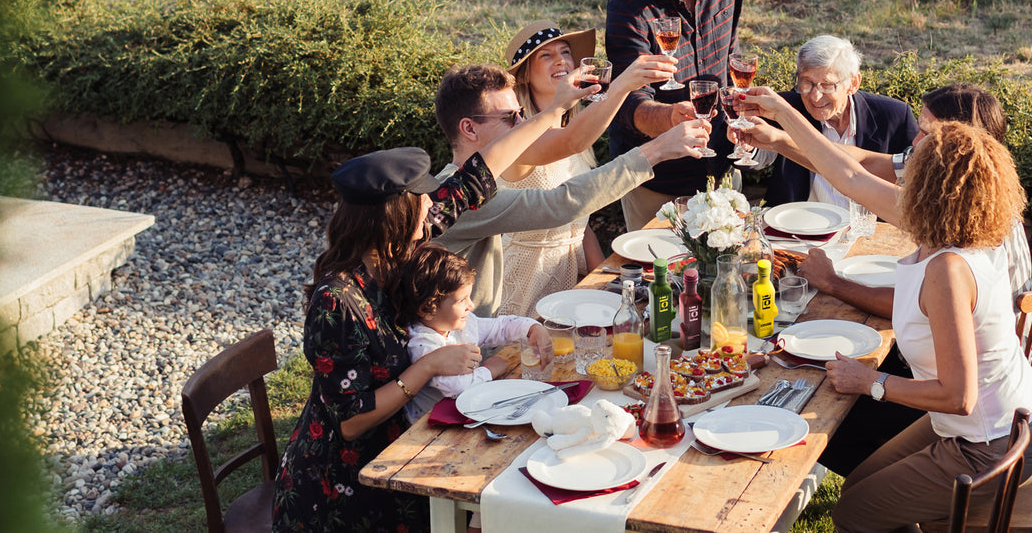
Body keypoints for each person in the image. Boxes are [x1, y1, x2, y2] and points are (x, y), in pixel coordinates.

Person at [273, 105, 575, 531]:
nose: (433, 204)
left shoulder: (399, 251)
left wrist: (551, 112)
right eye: (423, 199)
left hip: (415, 438)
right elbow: (352, 422)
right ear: (394, 214)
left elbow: (476, 177)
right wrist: (427, 367)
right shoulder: (337, 302)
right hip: (352, 485)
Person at [823, 121, 1032, 531]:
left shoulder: (947, 271)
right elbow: (850, 177)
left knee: (852, 513)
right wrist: (779, 120)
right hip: (1015, 419)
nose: (907, 156)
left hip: (995, 445)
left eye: (917, 158)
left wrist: (870, 382)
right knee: (857, 484)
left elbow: (958, 396)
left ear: (929, 187)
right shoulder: (978, 233)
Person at [431, 64, 709, 317]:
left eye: (521, 115)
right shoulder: (458, 197)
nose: (521, 125)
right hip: (475, 343)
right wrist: (657, 149)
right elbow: (561, 203)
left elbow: (570, 142)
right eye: (508, 118)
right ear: (468, 128)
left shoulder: (474, 183)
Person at [497, 20, 678, 295]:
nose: (561, 61)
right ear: (524, 75)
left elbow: (580, 224)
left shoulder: (576, 125)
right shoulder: (516, 134)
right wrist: (624, 84)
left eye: (565, 52)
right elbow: (570, 141)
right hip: (522, 284)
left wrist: (605, 283)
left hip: (569, 281)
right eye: (546, 55)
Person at [606, 0, 744, 230]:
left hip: (723, 165)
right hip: (658, 179)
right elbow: (626, 99)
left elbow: (731, 51)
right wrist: (668, 117)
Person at [736, 35, 918, 208]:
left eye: (827, 85)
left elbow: (910, 180)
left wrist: (780, 139)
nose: (815, 96)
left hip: (867, 231)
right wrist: (747, 146)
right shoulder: (787, 106)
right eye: (806, 83)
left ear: (853, 83)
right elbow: (762, 155)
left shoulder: (894, 116)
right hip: (796, 229)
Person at [392, 247, 548, 422]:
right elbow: (458, 388)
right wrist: (489, 370)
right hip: (435, 427)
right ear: (427, 309)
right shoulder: (422, 344)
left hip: (469, 411)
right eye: (461, 300)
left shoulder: (462, 324)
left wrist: (533, 328)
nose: (471, 305)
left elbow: (500, 327)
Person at [914, 83, 1032, 295]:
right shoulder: (978, 183)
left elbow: (919, 303)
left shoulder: (970, 212)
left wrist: (837, 285)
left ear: (959, 144)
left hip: (1002, 325)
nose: (915, 143)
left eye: (926, 134)